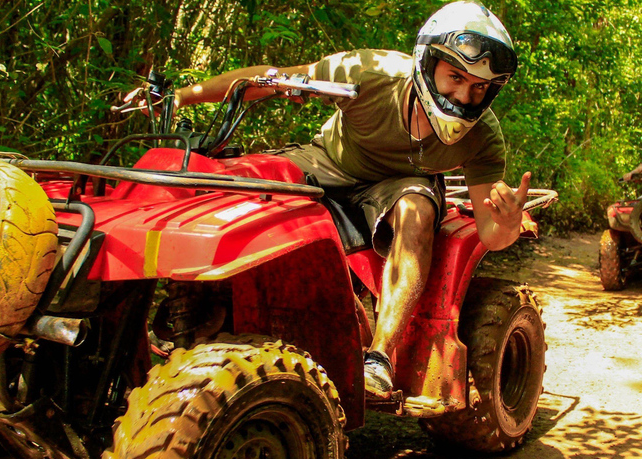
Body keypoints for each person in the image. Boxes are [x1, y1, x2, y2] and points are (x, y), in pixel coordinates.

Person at [154, 0, 531, 399]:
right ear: (427, 61)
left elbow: (491, 234)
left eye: (479, 87)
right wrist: (181, 97)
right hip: (328, 160)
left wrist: (507, 223)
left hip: (404, 183)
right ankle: (191, 315)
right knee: (244, 181)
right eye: (455, 76)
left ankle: (378, 360)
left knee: (417, 211)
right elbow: (267, 79)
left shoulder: (484, 136)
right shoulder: (370, 74)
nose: (463, 94)